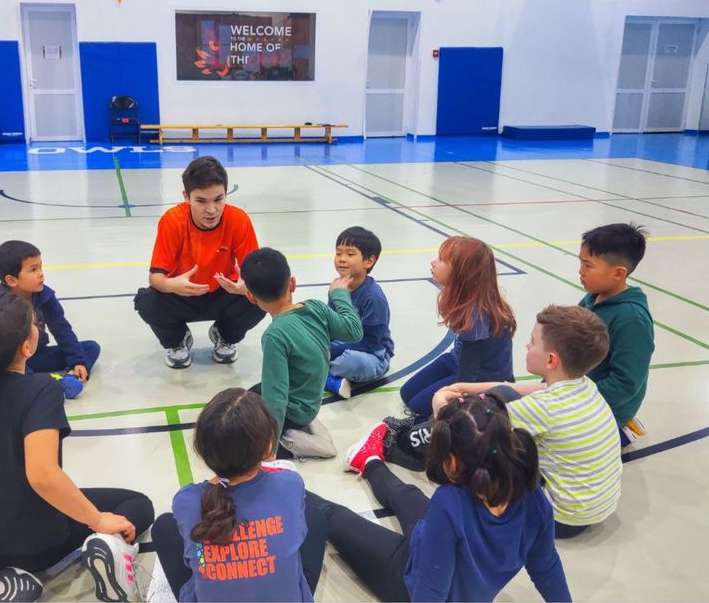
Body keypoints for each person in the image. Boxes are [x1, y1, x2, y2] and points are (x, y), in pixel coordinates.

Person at [0, 291, 154, 602]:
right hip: (32, 548)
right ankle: (108, 548)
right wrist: (97, 521)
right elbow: (43, 476)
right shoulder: (40, 390)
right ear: (27, 346)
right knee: (137, 505)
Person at [308, 392, 570, 602]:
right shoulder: (533, 495)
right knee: (409, 494)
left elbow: (430, 593)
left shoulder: (450, 503)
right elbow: (546, 568)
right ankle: (369, 461)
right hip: (435, 544)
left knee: (332, 516)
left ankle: (280, 482)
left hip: (407, 578)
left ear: (452, 462)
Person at [389, 305, 623, 539]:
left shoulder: (543, 407)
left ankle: (403, 445)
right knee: (502, 402)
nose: (527, 346)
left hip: (558, 518)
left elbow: (464, 430)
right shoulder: (584, 386)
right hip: (594, 509)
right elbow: (511, 388)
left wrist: (439, 401)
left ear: (551, 360)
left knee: (482, 447)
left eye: (532, 342)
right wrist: (460, 388)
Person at [151, 388, 327, 602]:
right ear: (269, 447)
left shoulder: (187, 500)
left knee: (164, 526)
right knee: (313, 516)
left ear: (201, 449)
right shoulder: (290, 483)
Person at [133, 156, 266, 368]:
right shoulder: (173, 221)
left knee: (260, 296)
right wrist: (171, 284)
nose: (212, 210)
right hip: (181, 294)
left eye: (218, 199)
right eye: (201, 201)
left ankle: (224, 334)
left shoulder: (238, 220)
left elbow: (255, 273)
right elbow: (155, 277)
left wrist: (245, 287)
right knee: (146, 302)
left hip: (224, 293)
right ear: (186, 197)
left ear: (226, 193)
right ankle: (177, 340)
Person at [241, 247, 363, 459]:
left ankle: (293, 442)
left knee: (244, 423)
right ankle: (305, 422)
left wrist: (270, 445)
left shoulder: (275, 335)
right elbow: (354, 331)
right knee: (251, 394)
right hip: (312, 401)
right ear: (292, 283)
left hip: (295, 412)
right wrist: (340, 294)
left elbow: (276, 395)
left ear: (251, 297)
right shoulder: (316, 307)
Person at [397, 236, 516, 420]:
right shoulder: (467, 300)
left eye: (441, 259)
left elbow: (468, 375)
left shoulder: (477, 315)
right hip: (457, 360)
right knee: (407, 393)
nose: (433, 262)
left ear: (461, 273)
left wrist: (457, 401)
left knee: (418, 406)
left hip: (481, 377)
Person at [578, 222, 654, 446]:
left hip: (601, 408)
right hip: (579, 394)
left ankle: (619, 431)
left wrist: (575, 400)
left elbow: (626, 382)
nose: (580, 271)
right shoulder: (593, 298)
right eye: (580, 262)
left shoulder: (632, 319)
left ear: (619, 273)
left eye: (588, 265)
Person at [0, 240, 99, 398]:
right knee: (5, 371)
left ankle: (70, 378)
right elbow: (1, 351)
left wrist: (78, 361)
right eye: (33, 270)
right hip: (13, 361)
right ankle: (41, 385)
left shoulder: (45, 296)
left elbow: (62, 329)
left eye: (40, 267)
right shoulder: (1, 305)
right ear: (11, 280)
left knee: (91, 347)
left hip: (37, 354)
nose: (41, 273)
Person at [324, 226, 395, 399]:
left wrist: (330, 352)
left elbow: (371, 343)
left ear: (369, 261)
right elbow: (330, 325)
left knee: (351, 362)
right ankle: (327, 375)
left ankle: (322, 376)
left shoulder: (374, 297)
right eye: (338, 253)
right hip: (340, 345)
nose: (341, 259)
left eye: (350, 254)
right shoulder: (337, 286)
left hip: (372, 354)